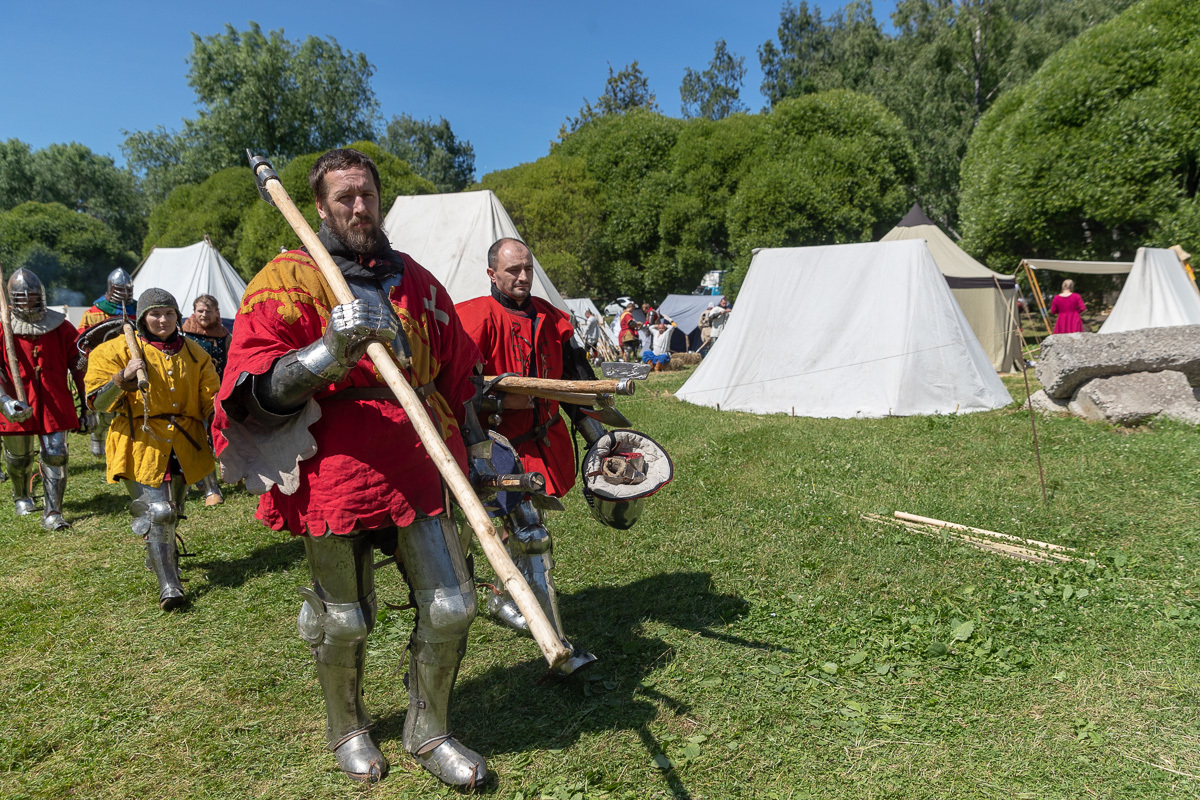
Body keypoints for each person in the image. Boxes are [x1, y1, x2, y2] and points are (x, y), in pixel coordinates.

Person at [213, 148, 487, 788]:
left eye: (366, 194)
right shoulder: (287, 280)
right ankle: (348, 727)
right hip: (334, 465)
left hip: (418, 454)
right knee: (345, 615)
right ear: (320, 207)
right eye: (344, 198)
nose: (359, 207)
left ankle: (431, 728)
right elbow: (254, 388)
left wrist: (474, 443)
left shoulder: (412, 279)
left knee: (451, 605)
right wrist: (329, 348)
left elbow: (456, 367)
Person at [457, 238, 604, 677]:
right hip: (491, 446)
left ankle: (503, 598)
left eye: (527, 269)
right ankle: (557, 648)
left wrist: (596, 438)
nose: (522, 278)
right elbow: (453, 389)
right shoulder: (473, 320)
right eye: (511, 271)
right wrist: (491, 407)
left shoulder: (552, 319)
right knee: (533, 536)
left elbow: (577, 384)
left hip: (540, 440)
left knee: (523, 530)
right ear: (492, 275)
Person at [85, 288, 219, 609]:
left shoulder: (196, 352)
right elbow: (96, 403)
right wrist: (122, 378)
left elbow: (210, 399)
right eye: (155, 314)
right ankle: (170, 585)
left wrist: (225, 420)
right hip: (139, 440)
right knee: (160, 512)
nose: (163, 320)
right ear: (143, 317)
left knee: (175, 511)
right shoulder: (116, 350)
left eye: (169, 313)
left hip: (186, 441)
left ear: (178, 316)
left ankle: (159, 555)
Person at [0, 269, 87, 530]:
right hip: (17, 401)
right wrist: (4, 399)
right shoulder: (3, 328)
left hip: (53, 401)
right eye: (21, 297)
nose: (27, 301)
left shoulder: (61, 326)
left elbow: (79, 366)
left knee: (56, 454)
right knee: (19, 457)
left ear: (41, 296)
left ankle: (53, 512)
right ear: (12, 299)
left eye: (32, 296)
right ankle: (22, 495)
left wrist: (86, 405)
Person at [78, 268, 135, 458]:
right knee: (106, 409)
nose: (124, 293)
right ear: (111, 289)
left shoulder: (139, 309)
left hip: (131, 364)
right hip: (103, 365)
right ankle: (99, 434)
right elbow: (83, 340)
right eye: (120, 289)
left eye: (127, 289)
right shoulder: (94, 312)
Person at [181, 294, 231, 506]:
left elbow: (231, 362)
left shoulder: (224, 336)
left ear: (216, 313)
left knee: (220, 433)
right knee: (198, 437)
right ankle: (206, 483)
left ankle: (230, 473)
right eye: (200, 311)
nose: (203, 315)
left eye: (208, 311)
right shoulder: (184, 335)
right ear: (194, 311)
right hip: (192, 394)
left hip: (218, 392)